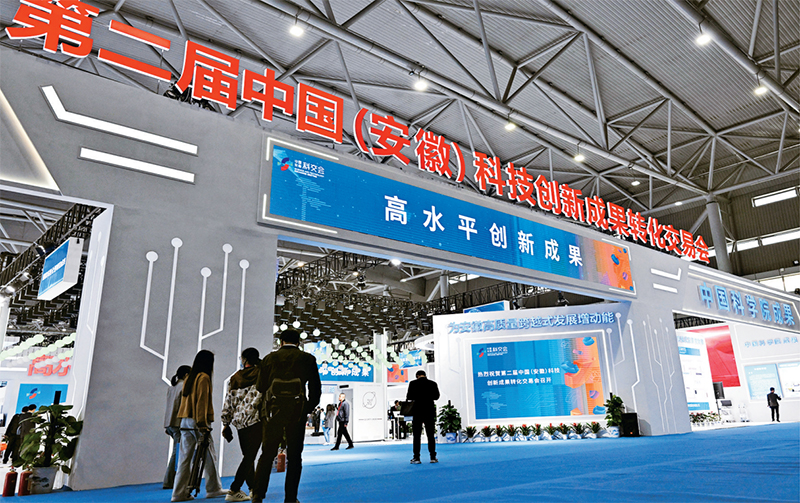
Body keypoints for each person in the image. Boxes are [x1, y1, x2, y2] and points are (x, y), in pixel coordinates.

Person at [252, 329, 321, 503]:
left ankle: (258, 495)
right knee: (295, 456)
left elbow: (260, 386)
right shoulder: (307, 359)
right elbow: (315, 389)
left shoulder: (269, 359)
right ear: (298, 342)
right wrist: (306, 408)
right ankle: (290, 498)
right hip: (296, 413)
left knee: (267, 454)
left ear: (281, 342)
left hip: (272, 412)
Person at [171, 350, 228, 502]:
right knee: (209, 456)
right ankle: (213, 488)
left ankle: (178, 493)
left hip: (185, 421)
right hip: (198, 421)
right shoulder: (204, 378)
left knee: (184, 459)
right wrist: (203, 423)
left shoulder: (189, 378)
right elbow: (202, 402)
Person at [220, 348, 262, 503]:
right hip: (256, 420)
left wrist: (226, 423)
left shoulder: (235, 377)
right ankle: (234, 489)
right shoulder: (261, 374)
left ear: (244, 359)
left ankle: (252, 488)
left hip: (239, 422)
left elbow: (228, 402)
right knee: (250, 457)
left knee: (248, 456)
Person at [164, 365, 192, 489]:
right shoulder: (184, 387)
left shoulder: (172, 388)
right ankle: (170, 481)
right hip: (178, 423)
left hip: (169, 423)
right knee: (177, 453)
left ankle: (171, 480)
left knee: (177, 452)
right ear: (186, 375)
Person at [406, 370, 440, 464]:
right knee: (430, 435)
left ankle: (416, 458)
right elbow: (436, 397)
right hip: (429, 411)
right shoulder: (433, 383)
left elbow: (409, 397)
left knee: (417, 436)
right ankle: (433, 457)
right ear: (425, 375)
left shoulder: (413, 383)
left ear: (417, 376)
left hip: (417, 412)